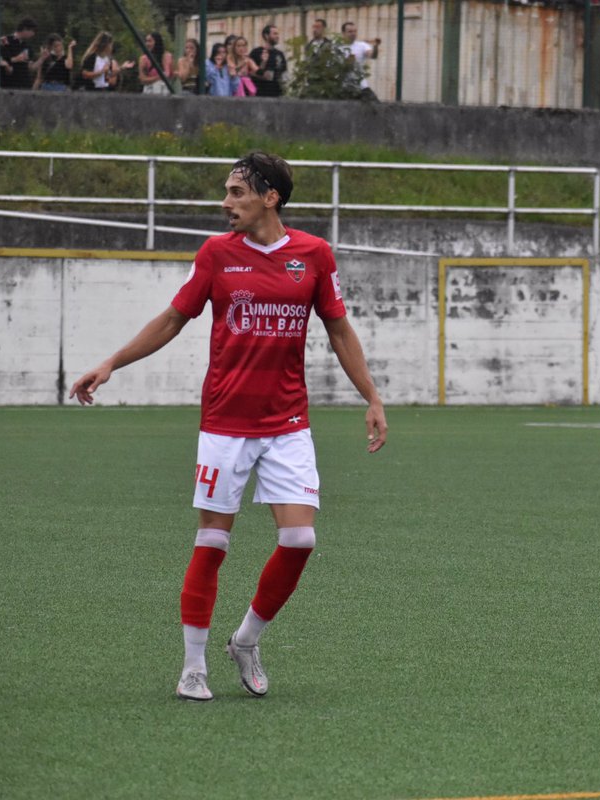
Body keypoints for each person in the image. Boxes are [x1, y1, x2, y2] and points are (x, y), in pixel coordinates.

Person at [69, 151, 388, 702]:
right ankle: (193, 667)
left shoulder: (314, 255)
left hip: (287, 422)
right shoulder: (216, 254)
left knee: (300, 539)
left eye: (237, 192)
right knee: (213, 541)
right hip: (225, 423)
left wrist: (372, 396)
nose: (226, 202)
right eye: (227, 191)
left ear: (270, 198)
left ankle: (245, 640)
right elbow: (174, 318)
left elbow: (339, 329)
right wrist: (111, 363)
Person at [341, 21, 380, 99]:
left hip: (361, 86)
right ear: (343, 33)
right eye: (350, 31)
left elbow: (373, 56)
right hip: (343, 86)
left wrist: (375, 47)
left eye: (355, 31)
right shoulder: (336, 46)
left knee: (374, 103)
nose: (353, 34)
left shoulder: (362, 45)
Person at [249, 24, 286, 97]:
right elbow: (250, 73)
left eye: (278, 34)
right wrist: (264, 73)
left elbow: (283, 74)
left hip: (276, 95)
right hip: (259, 95)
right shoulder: (256, 52)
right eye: (275, 34)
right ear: (266, 36)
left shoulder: (280, 54)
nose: (277, 36)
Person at [0, 17, 35, 89]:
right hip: (9, 84)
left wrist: (42, 58)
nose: (33, 34)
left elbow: (30, 67)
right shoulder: (5, 40)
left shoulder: (28, 46)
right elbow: (0, 61)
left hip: (25, 85)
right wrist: (16, 59)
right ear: (25, 29)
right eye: (32, 31)